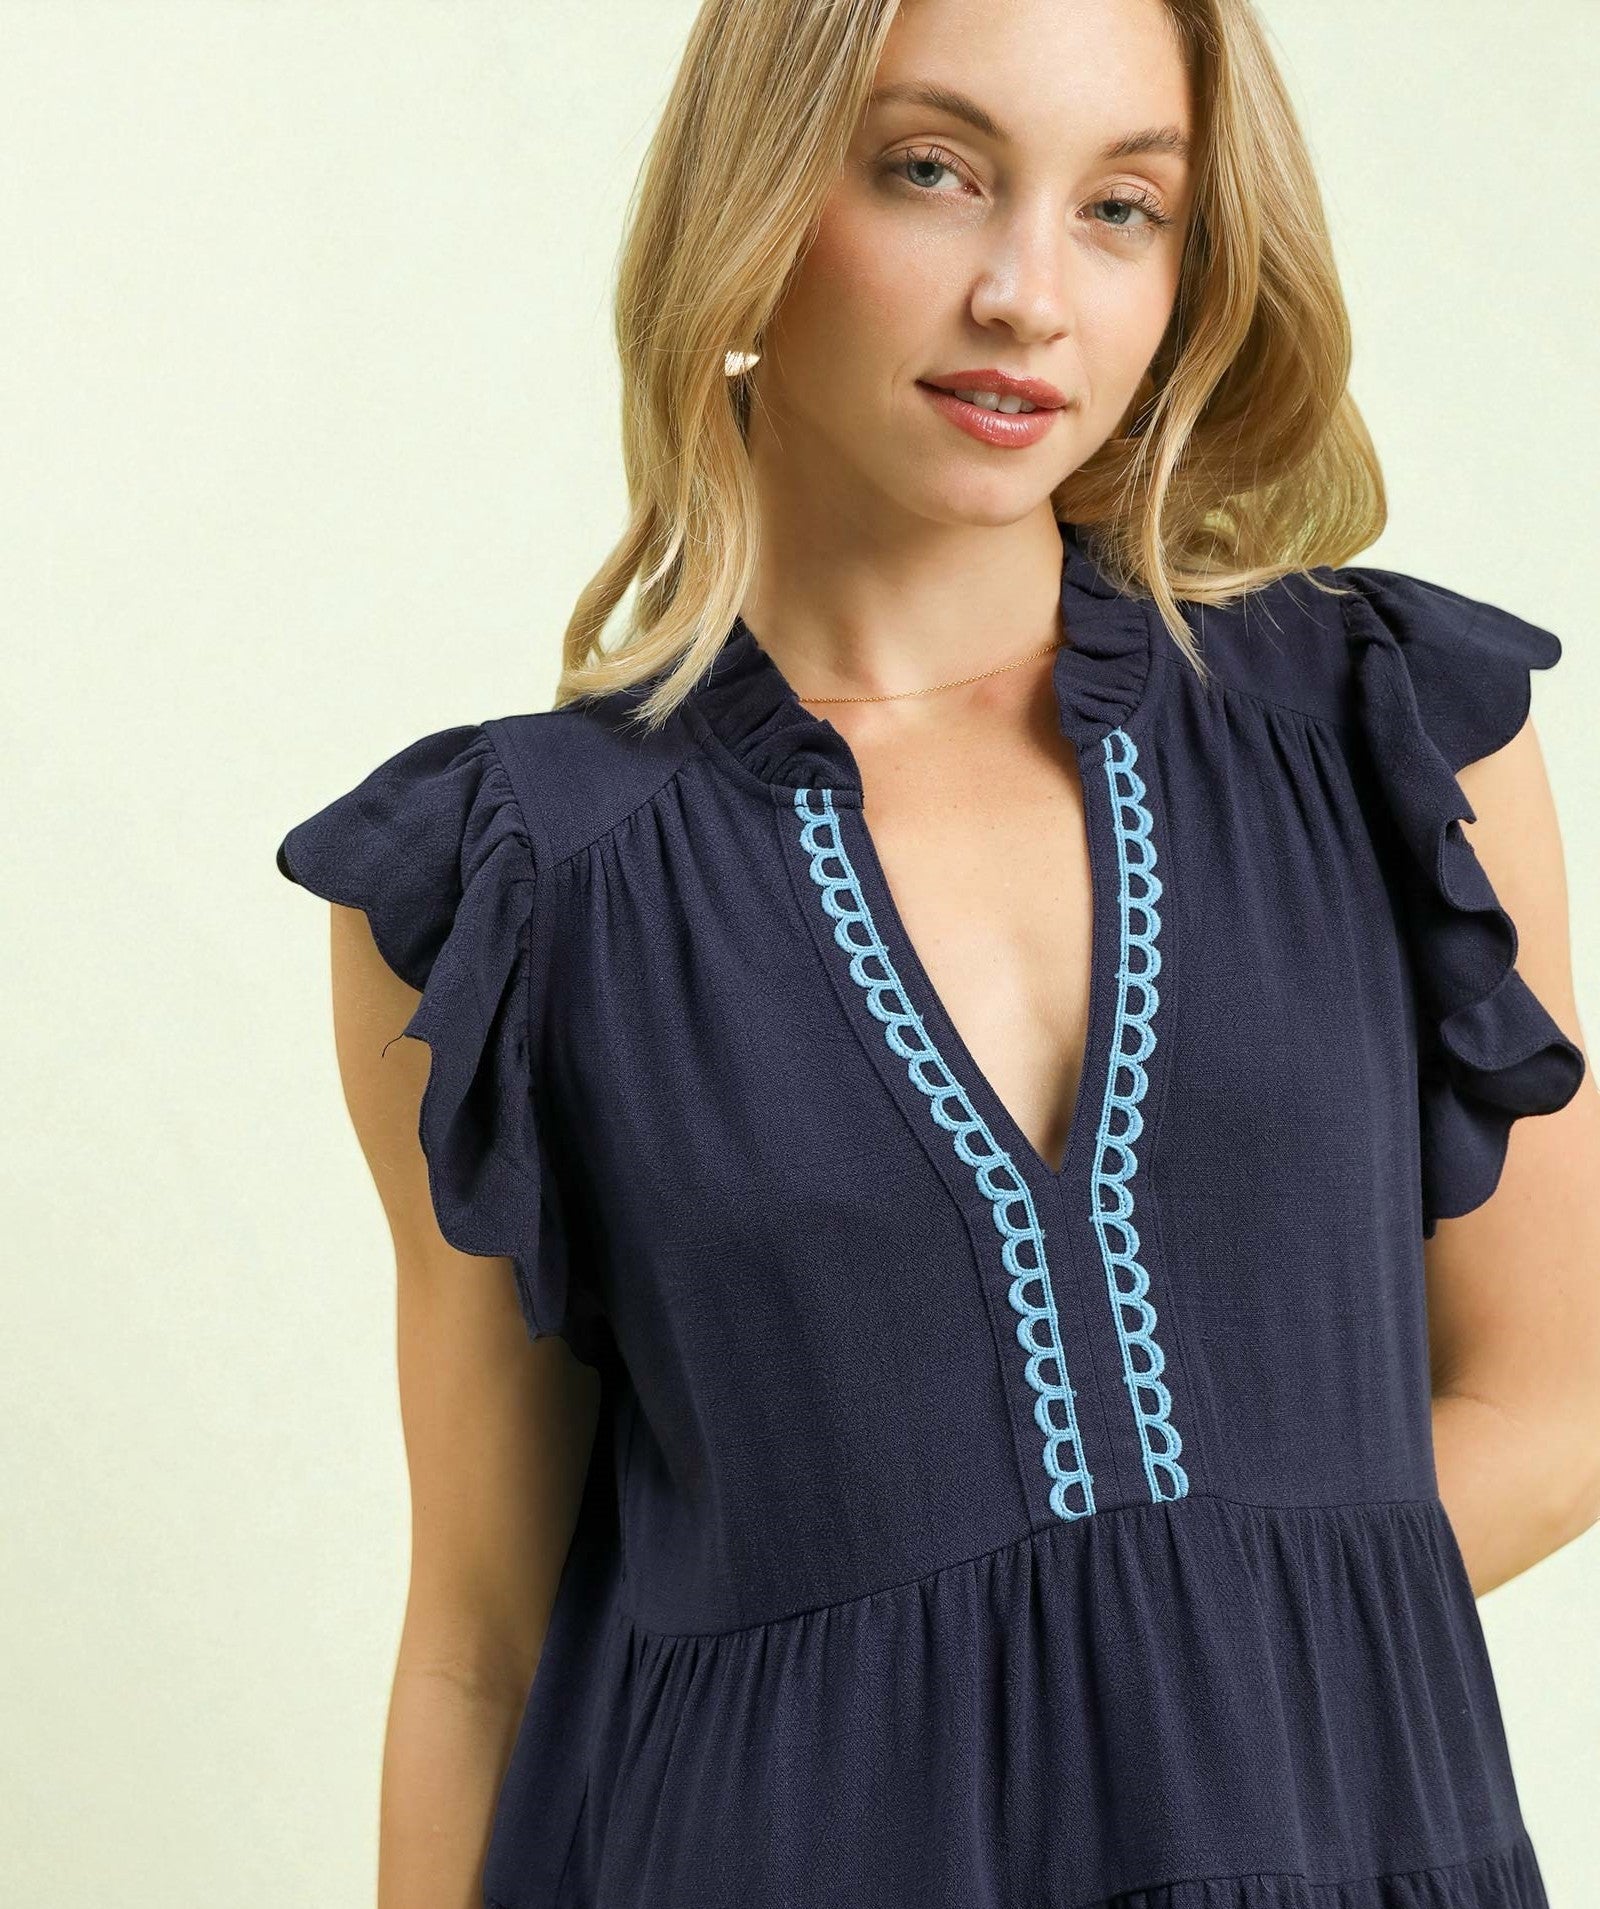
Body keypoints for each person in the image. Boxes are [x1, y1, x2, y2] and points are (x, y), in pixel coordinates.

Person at [276, 1, 1600, 1904]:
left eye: (1124, 206)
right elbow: (481, 1654)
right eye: (932, 171)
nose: (1026, 296)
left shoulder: (1386, 736)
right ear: (755, 201)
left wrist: (1120, 1716)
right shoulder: (510, 888)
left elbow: (1551, 1405)